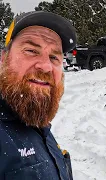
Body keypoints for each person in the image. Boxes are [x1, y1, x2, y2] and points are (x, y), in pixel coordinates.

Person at [0, 11, 76, 179]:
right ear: (3, 58)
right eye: (31, 50)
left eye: (54, 57)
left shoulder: (36, 120)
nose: (46, 66)